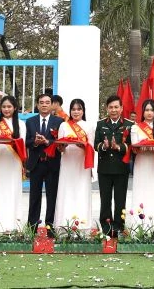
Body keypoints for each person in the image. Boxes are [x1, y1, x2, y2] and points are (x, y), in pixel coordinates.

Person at [129, 99, 154, 236]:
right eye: (146, 110)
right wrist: (144, 147)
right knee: (140, 193)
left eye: (152, 110)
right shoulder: (135, 127)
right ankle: (138, 230)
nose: (149, 113)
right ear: (143, 112)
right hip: (141, 164)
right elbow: (134, 146)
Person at [53, 98, 94, 229]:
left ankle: (83, 225)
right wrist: (62, 147)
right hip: (67, 163)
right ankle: (64, 224)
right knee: (66, 191)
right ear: (70, 111)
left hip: (82, 164)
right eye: (73, 109)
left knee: (81, 191)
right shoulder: (64, 125)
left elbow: (91, 148)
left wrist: (82, 146)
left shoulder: (89, 126)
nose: (76, 112)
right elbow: (60, 147)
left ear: (83, 111)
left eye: (79, 109)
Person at [25, 93, 62, 236]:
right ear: (37, 105)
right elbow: (26, 141)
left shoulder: (59, 121)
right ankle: (32, 228)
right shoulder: (30, 121)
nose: (44, 105)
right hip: (36, 164)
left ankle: (50, 228)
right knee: (34, 197)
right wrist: (35, 141)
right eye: (41, 102)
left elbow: (60, 142)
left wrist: (47, 142)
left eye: (47, 102)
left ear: (52, 104)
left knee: (52, 197)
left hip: (52, 164)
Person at [95, 94, 132, 237]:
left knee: (120, 199)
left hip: (121, 167)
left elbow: (131, 146)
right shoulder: (101, 124)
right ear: (106, 109)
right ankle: (106, 226)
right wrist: (104, 147)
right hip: (104, 168)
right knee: (105, 199)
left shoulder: (129, 124)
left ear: (122, 108)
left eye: (116, 107)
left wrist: (119, 148)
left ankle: (118, 227)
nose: (114, 110)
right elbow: (95, 144)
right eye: (111, 107)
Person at [0, 95, 26, 233]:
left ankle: (14, 225)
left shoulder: (21, 124)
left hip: (13, 161)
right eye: (4, 106)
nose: (6, 109)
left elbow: (22, 145)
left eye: (9, 106)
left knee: (12, 190)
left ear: (15, 108)